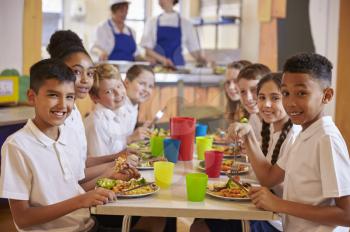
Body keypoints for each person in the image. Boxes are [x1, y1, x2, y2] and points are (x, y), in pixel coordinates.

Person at [229, 53, 350, 231]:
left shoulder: (326, 139)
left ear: (327, 95)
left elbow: (346, 215)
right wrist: (248, 136)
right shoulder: (303, 134)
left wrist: (278, 204)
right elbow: (269, 177)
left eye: (301, 93)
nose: (291, 102)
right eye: (285, 93)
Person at [0, 59, 116, 231]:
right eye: (53, 95)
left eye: (69, 97)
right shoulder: (17, 146)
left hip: (88, 225)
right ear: (32, 97)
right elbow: (22, 218)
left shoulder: (68, 134)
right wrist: (80, 201)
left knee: (155, 220)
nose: (63, 105)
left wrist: (112, 177)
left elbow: (74, 188)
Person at [191, 73, 301, 232]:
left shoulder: (293, 136)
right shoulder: (273, 129)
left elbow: (269, 181)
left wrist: (249, 137)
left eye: (275, 98)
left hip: (279, 222)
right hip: (268, 212)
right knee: (201, 218)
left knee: (201, 226)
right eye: (262, 97)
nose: (266, 104)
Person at [47, 30, 139, 191]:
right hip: (75, 203)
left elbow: (80, 163)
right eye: (77, 72)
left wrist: (117, 158)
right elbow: (69, 183)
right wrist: (111, 170)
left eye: (89, 73)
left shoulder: (73, 112)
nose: (85, 79)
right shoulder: (58, 120)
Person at [141, 0, 206, 67]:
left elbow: (194, 50)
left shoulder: (185, 23)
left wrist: (204, 60)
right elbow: (148, 50)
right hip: (159, 67)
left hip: (179, 68)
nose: (160, 1)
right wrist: (163, 60)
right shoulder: (152, 22)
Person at [85, 63, 128, 156]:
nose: (118, 93)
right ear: (95, 97)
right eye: (109, 91)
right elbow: (99, 162)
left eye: (119, 86)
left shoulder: (118, 112)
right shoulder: (97, 123)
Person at [116, 65, 155, 145]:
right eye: (142, 84)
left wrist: (142, 130)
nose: (146, 90)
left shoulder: (134, 105)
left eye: (150, 86)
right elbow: (108, 147)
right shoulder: (117, 108)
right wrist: (131, 138)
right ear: (126, 82)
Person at [237, 63, 271, 142]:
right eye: (243, 91)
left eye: (254, 90)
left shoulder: (278, 121)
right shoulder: (254, 117)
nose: (248, 98)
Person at [224, 60, 252, 124]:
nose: (231, 87)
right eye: (228, 82)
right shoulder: (237, 109)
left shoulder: (259, 113)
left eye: (236, 81)